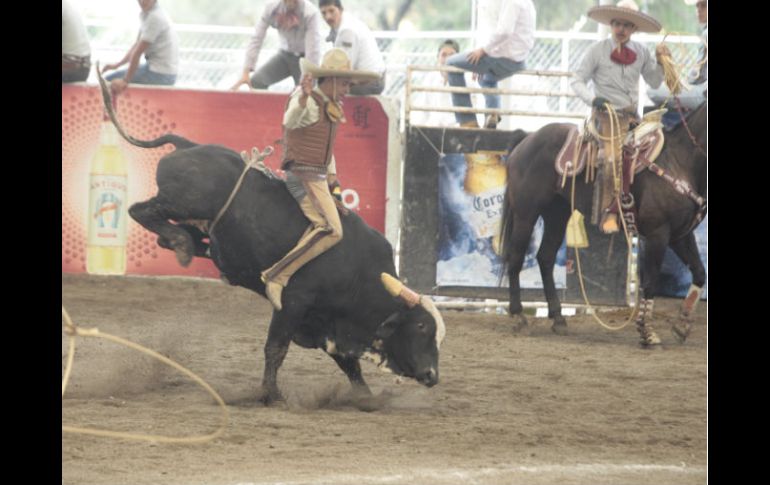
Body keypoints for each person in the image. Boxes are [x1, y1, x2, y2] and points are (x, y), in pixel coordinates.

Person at [261, 49, 380, 311]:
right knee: (332, 229)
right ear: (332, 80)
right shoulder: (308, 100)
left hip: (313, 175)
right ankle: (277, 276)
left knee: (327, 226)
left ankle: (296, 278)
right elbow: (291, 120)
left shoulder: (326, 103)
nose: (348, 89)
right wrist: (304, 97)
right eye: (345, 84)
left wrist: (333, 180)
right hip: (304, 175)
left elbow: (325, 146)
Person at [570, 0, 667, 234]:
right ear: (611, 25)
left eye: (626, 25)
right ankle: (609, 214)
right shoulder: (597, 50)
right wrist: (593, 99)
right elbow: (577, 80)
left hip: (632, 117)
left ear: (634, 29)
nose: (621, 29)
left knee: (658, 149)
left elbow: (655, 82)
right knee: (612, 157)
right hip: (605, 116)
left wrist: (662, 61)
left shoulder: (642, 52)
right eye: (617, 24)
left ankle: (645, 209)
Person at [445, 0, 536, 129]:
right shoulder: (527, 3)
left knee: (451, 63)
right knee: (486, 79)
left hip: (504, 56)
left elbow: (504, 31)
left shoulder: (512, 2)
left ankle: (467, 121)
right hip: (518, 59)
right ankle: (492, 113)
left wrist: (483, 51)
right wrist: (479, 63)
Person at [230, 0, 323, 91]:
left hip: (304, 59)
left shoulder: (310, 12)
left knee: (305, 90)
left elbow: (313, 49)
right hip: (284, 55)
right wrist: (246, 71)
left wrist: (307, 79)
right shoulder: (271, 8)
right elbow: (257, 38)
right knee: (256, 81)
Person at [101, 0, 179, 94]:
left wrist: (125, 80)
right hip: (157, 70)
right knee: (109, 80)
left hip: (161, 74)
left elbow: (137, 52)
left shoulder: (155, 17)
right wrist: (117, 65)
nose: (142, 1)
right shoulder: (147, 14)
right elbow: (136, 45)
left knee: (108, 82)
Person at [647, 0, 707, 113]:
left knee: (651, 91)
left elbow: (696, 76)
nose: (699, 10)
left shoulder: (706, 34)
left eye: (704, 6)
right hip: (702, 90)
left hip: (703, 94)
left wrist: (677, 79)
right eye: (697, 6)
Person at [318, 0, 386, 95]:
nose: (328, 17)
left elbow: (343, 69)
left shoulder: (347, 30)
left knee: (327, 90)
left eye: (331, 11)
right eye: (324, 13)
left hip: (371, 83)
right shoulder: (345, 22)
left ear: (340, 9)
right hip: (370, 79)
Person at [410, 39, 462, 126]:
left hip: (456, 127)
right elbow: (423, 110)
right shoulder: (431, 78)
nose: (448, 59)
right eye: (444, 55)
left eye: (452, 55)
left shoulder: (466, 79)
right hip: (433, 126)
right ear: (438, 58)